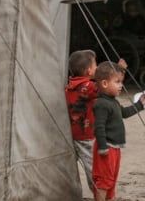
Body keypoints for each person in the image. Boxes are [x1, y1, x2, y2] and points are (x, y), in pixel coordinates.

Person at [92, 61, 145, 201]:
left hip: (115, 148)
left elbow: (124, 113)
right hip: (106, 148)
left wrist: (140, 105)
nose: (121, 85)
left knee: (111, 180)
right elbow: (98, 127)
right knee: (104, 181)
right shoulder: (101, 104)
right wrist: (103, 146)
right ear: (105, 84)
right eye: (117, 82)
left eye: (121, 82)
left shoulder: (113, 101)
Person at [65, 50, 98, 191]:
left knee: (69, 168)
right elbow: (105, 87)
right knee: (93, 168)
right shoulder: (88, 87)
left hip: (70, 134)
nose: (98, 68)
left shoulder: (68, 87)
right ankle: (99, 192)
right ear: (89, 71)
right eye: (96, 65)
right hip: (86, 136)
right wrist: (119, 71)